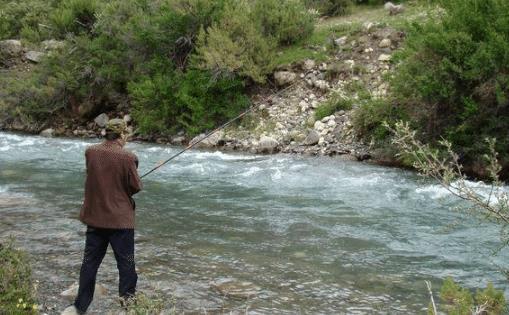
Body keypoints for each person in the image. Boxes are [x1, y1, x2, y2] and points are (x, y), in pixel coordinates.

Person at [62, 119, 142, 315]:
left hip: (95, 219)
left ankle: (80, 307)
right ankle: (128, 307)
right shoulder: (129, 157)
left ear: (106, 133)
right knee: (126, 265)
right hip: (120, 223)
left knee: (89, 263)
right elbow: (135, 187)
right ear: (122, 135)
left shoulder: (90, 152)